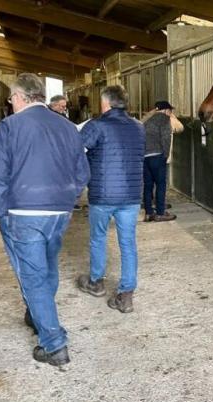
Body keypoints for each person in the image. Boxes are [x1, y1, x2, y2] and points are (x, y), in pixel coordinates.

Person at [0, 73, 89, 367]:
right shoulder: (68, 127)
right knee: (47, 265)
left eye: (11, 100)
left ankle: (54, 345)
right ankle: (37, 314)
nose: (11, 104)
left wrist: (0, 209)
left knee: (32, 276)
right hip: (58, 212)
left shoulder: (9, 127)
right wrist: (68, 199)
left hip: (23, 212)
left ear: (18, 97)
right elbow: (82, 173)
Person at [76, 85, 145, 314]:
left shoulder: (96, 125)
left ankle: (96, 282)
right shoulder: (138, 127)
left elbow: (76, 151)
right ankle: (126, 295)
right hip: (132, 195)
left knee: (98, 238)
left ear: (105, 103)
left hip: (103, 194)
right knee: (128, 243)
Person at [140, 100, 183, 222]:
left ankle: (148, 213)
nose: (170, 113)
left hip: (145, 157)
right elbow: (166, 138)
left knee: (148, 185)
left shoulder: (147, 121)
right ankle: (160, 213)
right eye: (170, 111)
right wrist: (165, 155)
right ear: (165, 110)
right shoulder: (164, 120)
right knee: (161, 184)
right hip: (157, 155)